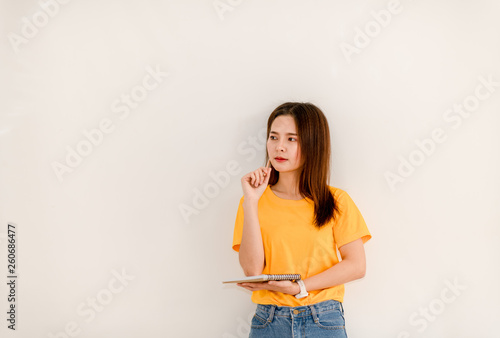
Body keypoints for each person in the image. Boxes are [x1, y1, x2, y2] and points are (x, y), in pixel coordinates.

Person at [231, 102, 372, 337]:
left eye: (291, 139)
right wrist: (252, 201)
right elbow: (252, 270)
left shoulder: (336, 200)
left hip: (323, 319)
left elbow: (356, 266)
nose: (279, 148)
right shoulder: (253, 201)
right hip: (269, 320)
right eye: (274, 137)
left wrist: (300, 287)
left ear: (313, 144)